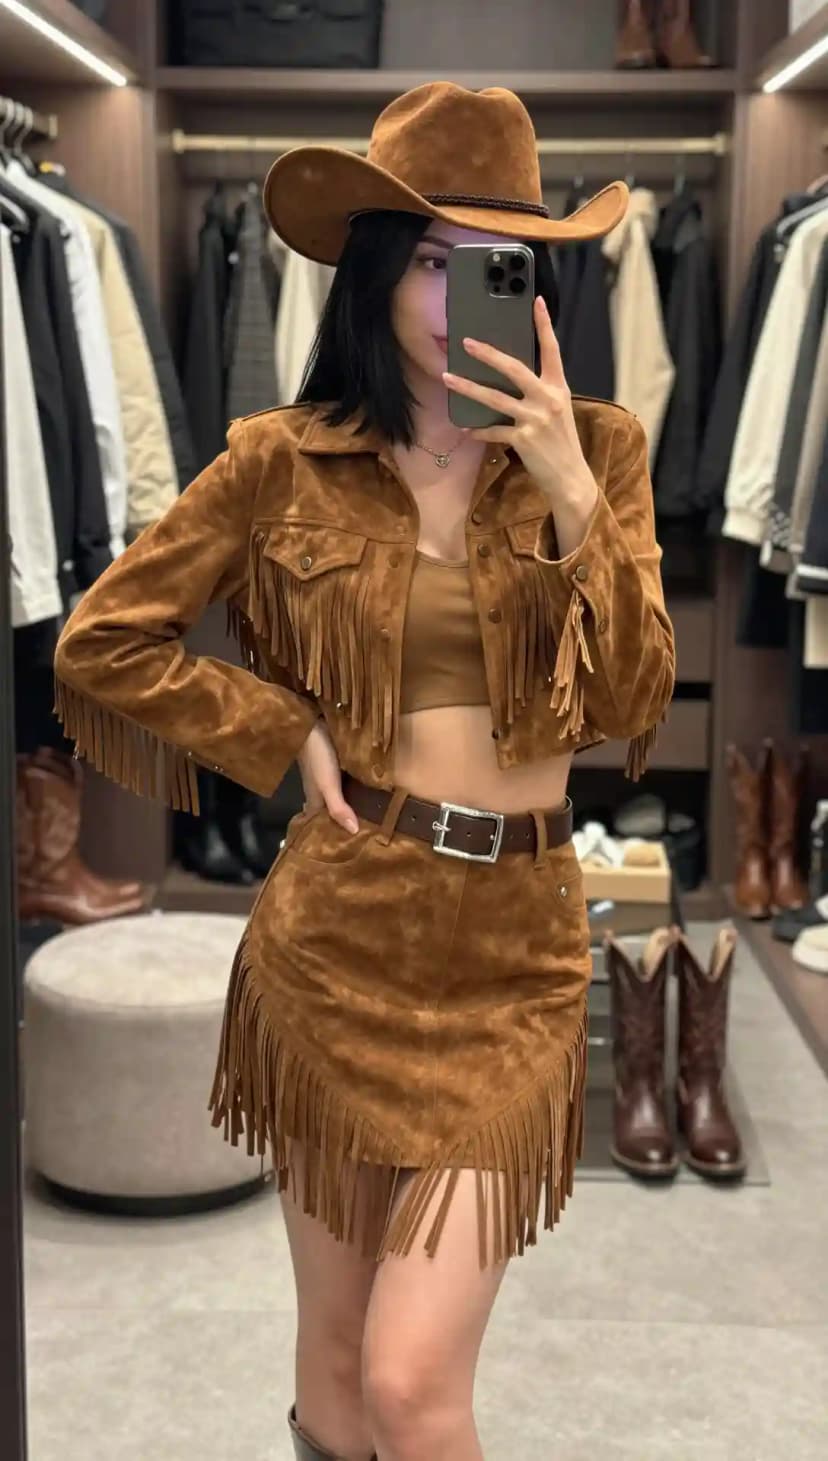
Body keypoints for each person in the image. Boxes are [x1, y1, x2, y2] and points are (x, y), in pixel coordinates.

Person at [52, 82, 675, 1461]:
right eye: (435, 259)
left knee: (410, 1381)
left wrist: (574, 496)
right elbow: (106, 641)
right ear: (381, 266)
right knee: (335, 1371)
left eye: (497, 264)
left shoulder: (603, 453)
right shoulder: (281, 463)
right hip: (338, 939)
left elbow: (630, 696)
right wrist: (282, 732)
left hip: (514, 953)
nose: (460, 300)